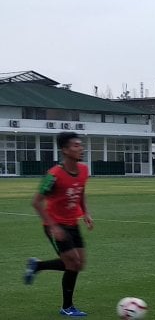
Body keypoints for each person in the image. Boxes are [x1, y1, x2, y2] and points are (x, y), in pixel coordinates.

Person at [24, 132, 94, 317]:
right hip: (55, 225)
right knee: (73, 262)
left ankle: (37, 266)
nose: (81, 148)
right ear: (64, 150)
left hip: (73, 223)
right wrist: (53, 226)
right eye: (76, 145)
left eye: (81, 145)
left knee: (78, 264)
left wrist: (85, 212)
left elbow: (80, 191)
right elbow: (36, 202)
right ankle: (67, 307)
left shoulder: (84, 170)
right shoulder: (53, 175)